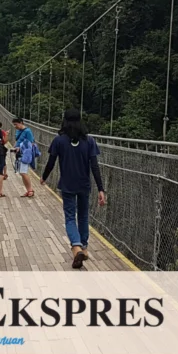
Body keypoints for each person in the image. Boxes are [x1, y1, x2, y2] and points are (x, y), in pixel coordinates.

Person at [40, 109, 106, 269]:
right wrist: (101, 189)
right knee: (83, 217)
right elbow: (95, 167)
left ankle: (76, 248)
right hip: (84, 185)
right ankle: (84, 247)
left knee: (70, 217)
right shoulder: (89, 141)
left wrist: (44, 177)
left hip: (68, 185)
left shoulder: (59, 141)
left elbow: (51, 162)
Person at [11, 117, 37, 197]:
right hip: (18, 154)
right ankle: (28, 190)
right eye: (14, 125)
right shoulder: (18, 131)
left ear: (21, 122)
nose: (15, 126)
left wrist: (21, 148)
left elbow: (31, 144)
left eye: (16, 124)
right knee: (22, 173)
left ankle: (30, 190)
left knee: (23, 172)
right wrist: (15, 147)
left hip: (25, 155)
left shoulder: (28, 131)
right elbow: (17, 140)